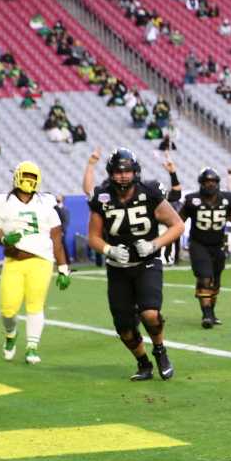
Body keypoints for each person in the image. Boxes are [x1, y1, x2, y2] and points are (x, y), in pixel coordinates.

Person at [87, 148, 184, 381]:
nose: (123, 176)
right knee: (124, 327)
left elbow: (178, 225)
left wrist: (154, 244)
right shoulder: (102, 196)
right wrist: (108, 250)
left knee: (150, 314)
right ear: (111, 173)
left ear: (135, 172)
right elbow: (94, 237)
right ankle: (143, 363)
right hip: (118, 269)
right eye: (119, 172)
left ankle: (160, 350)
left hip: (146, 263)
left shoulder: (149, 192)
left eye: (128, 171)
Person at [0, 162, 71, 363]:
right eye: (25, 175)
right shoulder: (3, 202)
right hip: (14, 260)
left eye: (32, 177)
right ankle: (10, 334)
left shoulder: (46, 202)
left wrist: (63, 268)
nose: (29, 180)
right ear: (17, 177)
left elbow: (56, 237)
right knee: (7, 310)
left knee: (35, 305)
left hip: (41, 261)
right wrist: (4, 239)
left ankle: (32, 347)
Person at [178, 168, 231, 329]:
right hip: (198, 243)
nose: (210, 185)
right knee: (204, 277)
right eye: (207, 182)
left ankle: (211, 313)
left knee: (215, 281)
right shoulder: (192, 200)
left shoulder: (228, 199)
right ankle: (206, 315)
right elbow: (178, 223)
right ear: (201, 184)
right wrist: (170, 245)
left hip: (218, 245)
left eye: (213, 182)